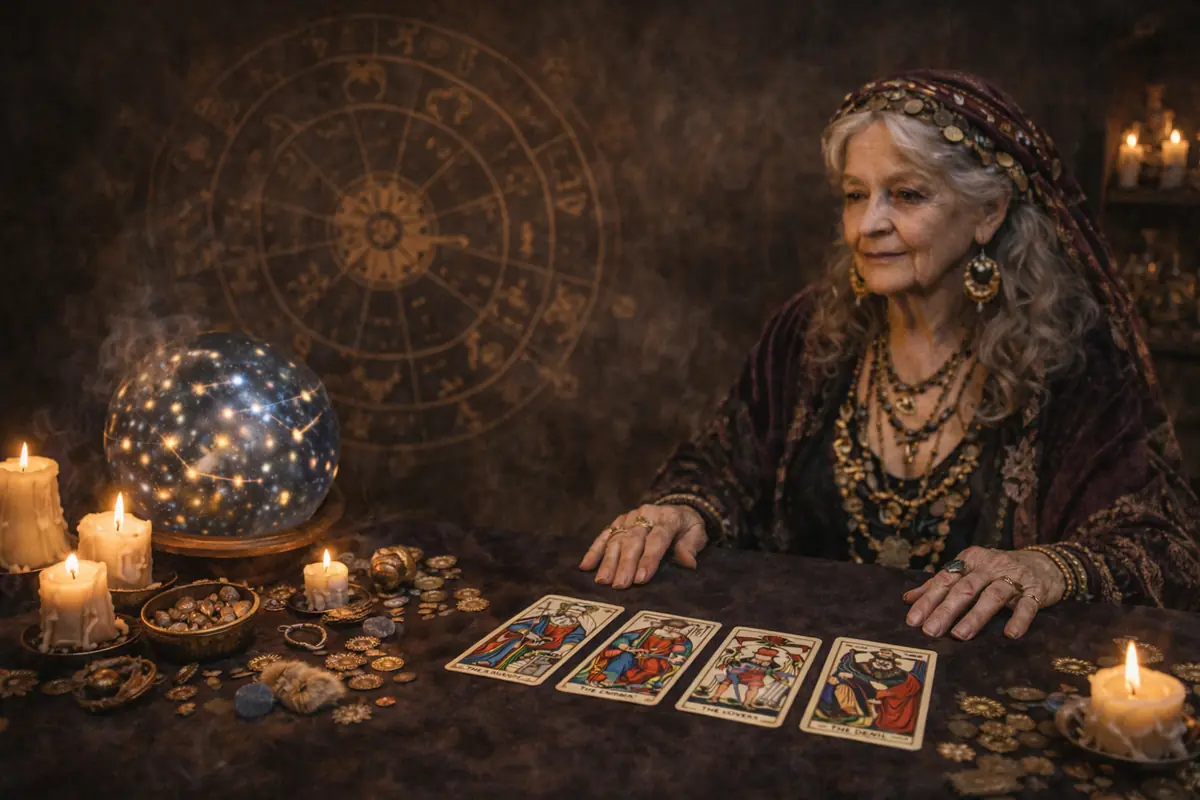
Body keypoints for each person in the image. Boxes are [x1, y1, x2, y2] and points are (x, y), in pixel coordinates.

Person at [579, 70, 1200, 642]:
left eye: (905, 195)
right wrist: (681, 509)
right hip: (792, 670)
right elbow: (723, 467)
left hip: (971, 700)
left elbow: (1162, 543)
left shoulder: (1067, 356)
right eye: (855, 195)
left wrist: (1044, 566)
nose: (866, 225)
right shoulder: (809, 331)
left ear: (988, 211)